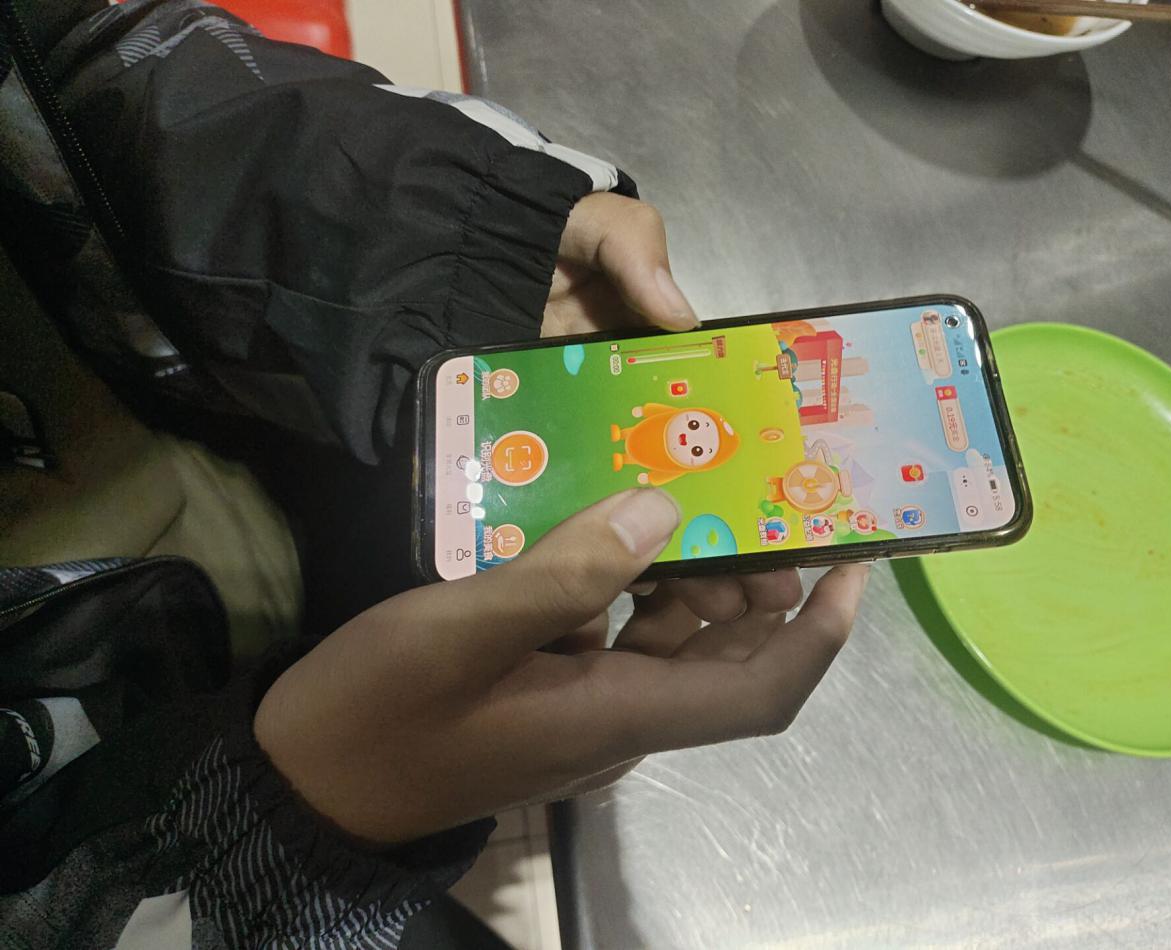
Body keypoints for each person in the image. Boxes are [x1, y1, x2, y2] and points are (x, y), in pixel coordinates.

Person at [0, 0, 870, 945]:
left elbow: (60, 58)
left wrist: (450, 258)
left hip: (245, 474)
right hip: (181, 828)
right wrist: (286, 828)